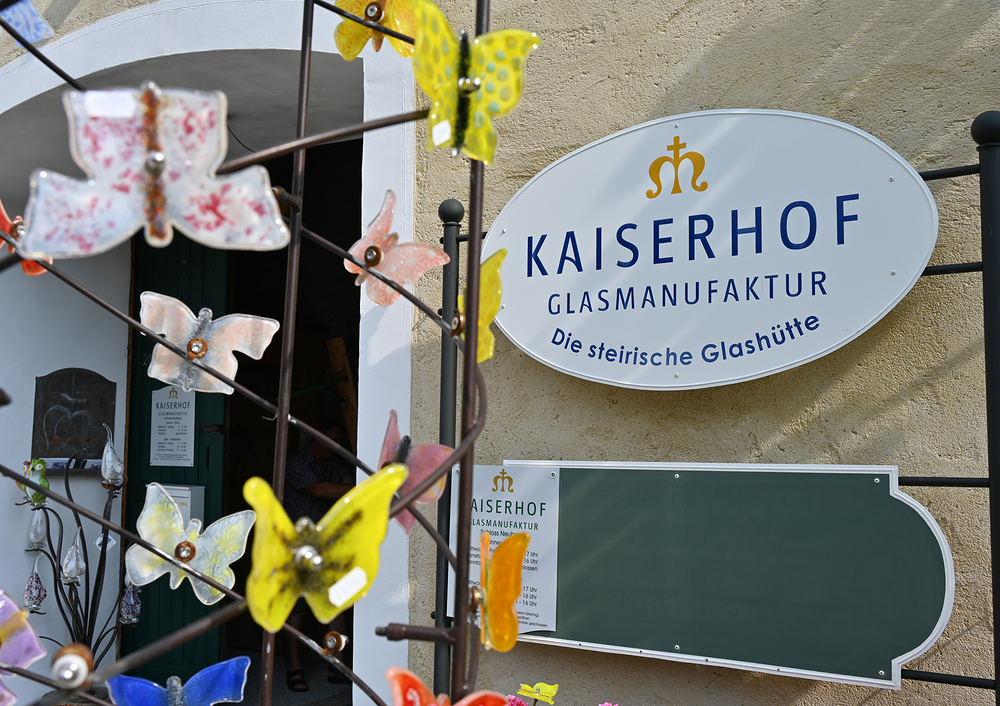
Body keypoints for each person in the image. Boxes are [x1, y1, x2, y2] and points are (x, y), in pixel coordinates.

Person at [283, 418, 355, 693]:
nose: (335, 447)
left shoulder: (336, 464)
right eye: (332, 442)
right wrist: (359, 490)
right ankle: (294, 666)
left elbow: (348, 486)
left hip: (328, 547)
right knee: (298, 609)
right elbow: (319, 490)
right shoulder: (298, 462)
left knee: (336, 604)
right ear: (316, 437)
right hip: (300, 548)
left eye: (339, 443)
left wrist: (352, 490)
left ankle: (337, 665)